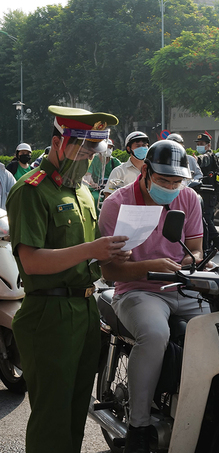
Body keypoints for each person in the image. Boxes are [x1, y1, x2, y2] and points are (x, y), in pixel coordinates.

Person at [7, 105, 130, 453]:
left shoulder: (82, 191)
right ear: (59, 142)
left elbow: (85, 252)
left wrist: (107, 252)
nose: (89, 155)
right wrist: (92, 248)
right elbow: (31, 262)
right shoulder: (31, 189)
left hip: (85, 308)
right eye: (84, 146)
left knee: (76, 413)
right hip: (49, 313)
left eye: (96, 149)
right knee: (52, 417)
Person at [99, 140, 203, 453]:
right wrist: (149, 267)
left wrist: (188, 260)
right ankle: (139, 426)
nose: (172, 187)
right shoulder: (117, 204)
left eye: (177, 181)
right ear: (145, 171)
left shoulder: (189, 198)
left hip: (181, 286)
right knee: (155, 334)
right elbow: (111, 272)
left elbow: (196, 248)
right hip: (138, 290)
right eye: (164, 180)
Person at [194, 132, 219, 250]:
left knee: (205, 218)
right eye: (198, 144)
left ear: (208, 145)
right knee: (209, 218)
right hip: (210, 192)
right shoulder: (214, 156)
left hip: (207, 192)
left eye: (202, 144)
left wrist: (197, 160)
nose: (199, 146)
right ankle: (210, 243)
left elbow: (203, 160)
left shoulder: (208, 156)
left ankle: (217, 241)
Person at [102, 131, 149, 198]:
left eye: (144, 145)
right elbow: (110, 196)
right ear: (129, 149)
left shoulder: (153, 170)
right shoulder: (119, 172)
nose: (142, 148)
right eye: (137, 146)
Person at [84, 138, 121, 210]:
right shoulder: (94, 159)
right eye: (107, 147)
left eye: (110, 148)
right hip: (97, 188)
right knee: (95, 199)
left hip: (111, 189)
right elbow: (88, 174)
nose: (108, 149)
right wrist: (93, 183)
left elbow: (121, 173)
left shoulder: (115, 162)